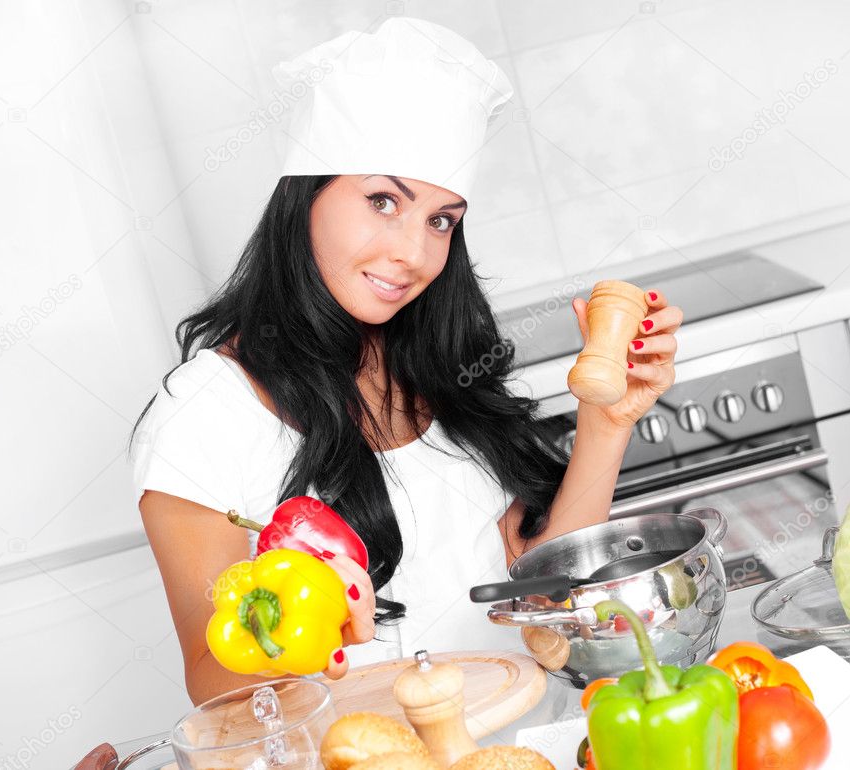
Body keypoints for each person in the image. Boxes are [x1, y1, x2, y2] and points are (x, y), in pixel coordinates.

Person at [128, 17, 682, 706]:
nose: (414, 254)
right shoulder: (204, 414)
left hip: (530, 743)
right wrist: (316, 628)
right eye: (383, 201)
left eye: (440, 220)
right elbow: (214, 685)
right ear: (305, 197)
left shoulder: (442, 360)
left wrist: (608, 422)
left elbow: (539, 590)